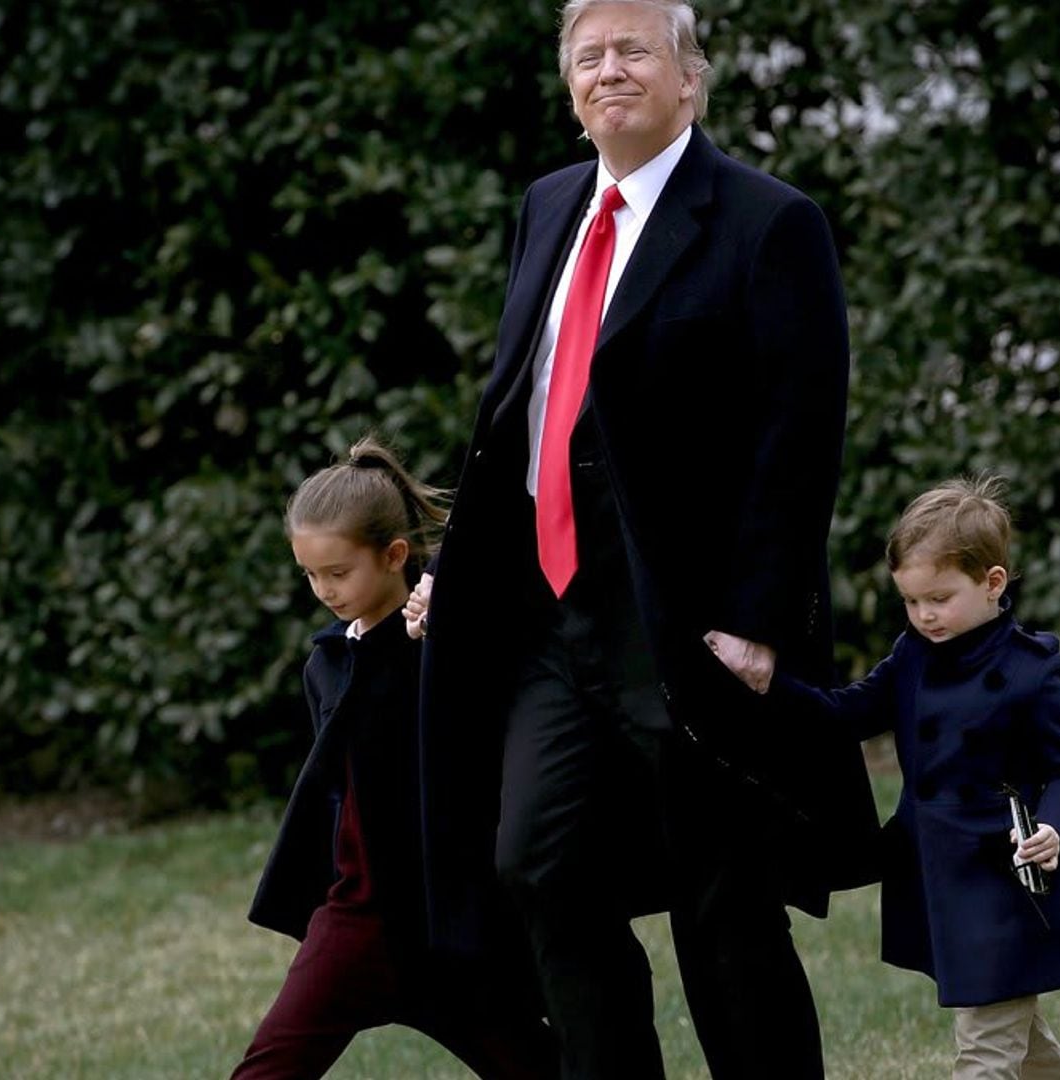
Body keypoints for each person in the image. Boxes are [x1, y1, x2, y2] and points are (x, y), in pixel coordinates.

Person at [403, 2, 878, 1076]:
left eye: (634, 51)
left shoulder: (769, 222)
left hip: (688, 623)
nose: (609, 70)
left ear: (689, 81)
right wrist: (458, 569)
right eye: (589, 57)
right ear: (571, 91)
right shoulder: (546, 208)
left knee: (725, 909)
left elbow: (800, 439)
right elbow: (519, 411)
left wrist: (760, 622)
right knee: (538, 863)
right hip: (546, 616)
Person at [232, 438, 556, 1080]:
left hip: (450, 924)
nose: (324, 590)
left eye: (338, 572)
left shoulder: (440, 652)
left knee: (543, 1068)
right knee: (268, 1069)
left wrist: (448, 627)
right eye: (310, 575)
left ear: (395, 555)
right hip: (355, 920)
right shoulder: (327, 663)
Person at [775, 476, 1060, 1079]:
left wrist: (1054, 827)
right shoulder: (913, 655)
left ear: (992, 583)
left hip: (1002, 884)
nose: (924, 615)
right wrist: (769, 688)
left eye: (939, 598)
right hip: (935, 877)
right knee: (1014, 1037)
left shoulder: (1031, 673)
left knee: (984, 1050)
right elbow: (848, 713)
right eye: (911, 600)